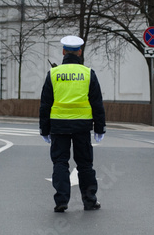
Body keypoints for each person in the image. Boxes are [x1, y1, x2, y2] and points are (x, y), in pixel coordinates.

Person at [40, 35, 106, 212]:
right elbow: (97, 103)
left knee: (60, 163)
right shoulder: (88, 73)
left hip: (58, 125)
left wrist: (44, 129)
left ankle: (61, 200)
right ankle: (89, 201)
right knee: (85, 164)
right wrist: (100, 128)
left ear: (63, 51)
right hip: (82, 126)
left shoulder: (53, 74)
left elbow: (45, 104)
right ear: (79, 51)